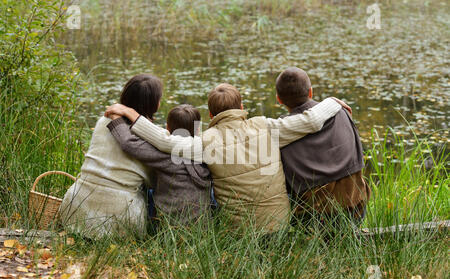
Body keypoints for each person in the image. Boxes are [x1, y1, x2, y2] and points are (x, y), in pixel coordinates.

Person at [105, 83, 349, 234]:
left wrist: (131, 114)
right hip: (279, 228)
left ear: (211, 114)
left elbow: (164, 141)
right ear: (241, 106)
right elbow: (311, 121)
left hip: (239, 233)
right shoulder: (267, 127)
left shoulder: (206, 142)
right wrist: (330, 103)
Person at [59, 74, 162, 238]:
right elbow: (153, 182)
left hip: (75, 209)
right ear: (154, 105)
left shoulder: (104, 121)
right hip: (120, 220)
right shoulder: (150, 137)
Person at [276, 67, 371, 225]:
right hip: (355, 212)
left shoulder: (280, 133)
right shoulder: (342, 112)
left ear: (279, 99)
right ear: (311, 92)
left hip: (311, 221)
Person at [106, 104, 212, 227]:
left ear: (167, 127)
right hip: (202, 228)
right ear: (197, 129)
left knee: (146, 190)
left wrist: (116, 119)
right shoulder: (206, 150)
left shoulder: (164, 155)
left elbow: (129, 143)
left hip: (169, 227)